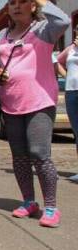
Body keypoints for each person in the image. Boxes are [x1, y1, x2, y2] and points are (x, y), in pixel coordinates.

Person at [0, 0, 69, 227]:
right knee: (19, 156)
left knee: (39, 154)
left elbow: (64, 20)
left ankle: (51, 207)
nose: (17, 6)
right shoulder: (2, 34)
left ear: (33, 6)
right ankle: (28, 201)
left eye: (23, 1)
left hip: (39, 102)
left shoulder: (43, 30)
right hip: (11, 102)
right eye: (12, 2)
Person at [57, 27, 78, 183]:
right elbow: (56, 61)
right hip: (71, 92)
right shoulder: (70, 49)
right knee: (76, 131)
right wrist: (66, 75)